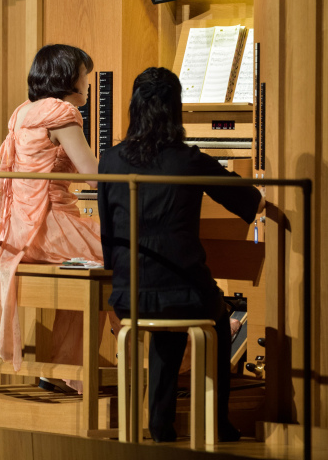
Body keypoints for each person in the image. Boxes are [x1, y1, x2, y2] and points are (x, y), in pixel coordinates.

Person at [98, 67, 266, 442]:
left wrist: (121, 281)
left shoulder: (110, 160)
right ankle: (217, 422)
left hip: (128, 295)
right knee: (216, 313)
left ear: (134, 108)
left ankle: (161, 423)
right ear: (175, 110)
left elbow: (107, 233)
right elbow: (250, 199)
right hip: (182, 291)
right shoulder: (188, 160)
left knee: (163, 303)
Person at [0, 44, 117, 392]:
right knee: (119, 259)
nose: (88, 82)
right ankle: (169, 361)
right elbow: (93, 176)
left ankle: (68, 369)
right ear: (69, 76)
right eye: (85, 74)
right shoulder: (62, 112)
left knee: (87, 272)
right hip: (49, 225)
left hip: (17, 228)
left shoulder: (24, 111)